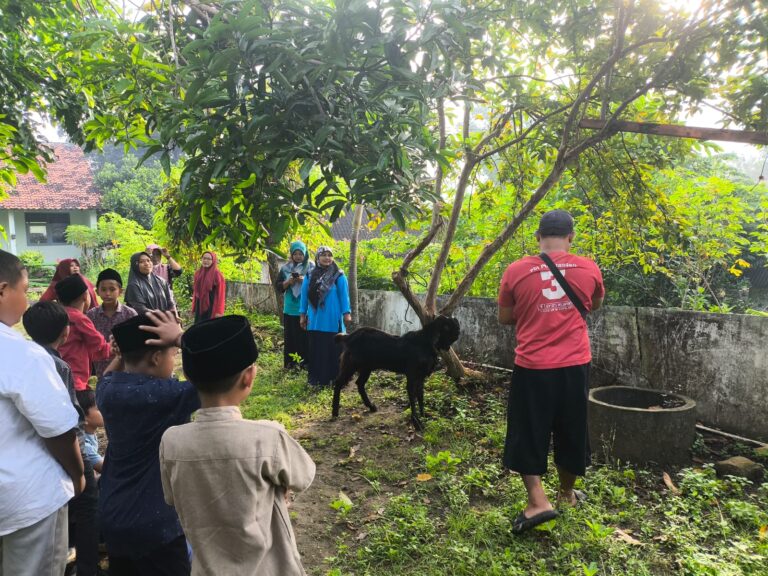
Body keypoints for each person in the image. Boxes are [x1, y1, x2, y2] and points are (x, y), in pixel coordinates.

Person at [160, 315, 316, 575]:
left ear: (187, 375)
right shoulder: (268, 437)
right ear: (249, 377)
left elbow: (170, 497)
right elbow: (304, 476)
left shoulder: (171, 441)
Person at [497, 210, 605, 534]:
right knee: (572, 429)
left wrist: (534, 311)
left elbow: (505, 317)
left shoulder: (516, 271)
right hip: (575, 365)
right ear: (571, 237)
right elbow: (593, 304)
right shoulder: (590, 268)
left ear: (537, 238)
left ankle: (537, 501)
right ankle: (567, 494)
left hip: (532, 367)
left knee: (527, 431)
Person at [0, 249, 84, 576]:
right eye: (24, 290)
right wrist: (77, 475)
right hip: (26, 500)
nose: (28, 299)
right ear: (3, 289)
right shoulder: (21, 353)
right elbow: (58, 429)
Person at [97, 311, 199, 575]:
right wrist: (181, 338)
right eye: (173, 355)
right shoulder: (165, 396)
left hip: (114, 515)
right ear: (156, 357)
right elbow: (215, 375)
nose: (175, 361)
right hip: (156, 525)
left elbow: (109, 374)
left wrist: (122, 354)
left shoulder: (107, 390)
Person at [22, 300, 100, 576]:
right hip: (67, 445)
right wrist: (80, 467)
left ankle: (65, 556)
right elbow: (68, 418)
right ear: (66, 332)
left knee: (63, 505)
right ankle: (88, 567)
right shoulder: (58, 365)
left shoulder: (26, 357)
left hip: (37, 449)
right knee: (88, 503)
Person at [299, 246, 351, 387]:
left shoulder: (338, 275)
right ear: (317, 257)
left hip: (333, 319)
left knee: (334, 350)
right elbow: (304, 296)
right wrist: (302, 315)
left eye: (330, 255)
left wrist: (347, 313)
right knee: (317, 350)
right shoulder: (310, 275)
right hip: (315, 320)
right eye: (324, 255)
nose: (327, 258)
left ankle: (335, 380)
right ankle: (316, 380)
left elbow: (344, 296)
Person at [56, 274, 112, 391]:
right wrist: (112, 347)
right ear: (85, 296)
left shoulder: (58, 315)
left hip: (57, 374)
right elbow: (98, 345)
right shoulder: (79, 318)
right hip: (76, 379)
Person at [87, 268, 137, 377]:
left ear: (120, 291)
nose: (107, 293)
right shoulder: (91, 315)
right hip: (101, 369)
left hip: (126, 368)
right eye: (103, 289)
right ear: (97, 292)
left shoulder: (130, 314)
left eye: (112, 289)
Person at [277, 241, 314, 368]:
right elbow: (278, 286)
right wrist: (288, 282)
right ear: (291, 254)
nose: (298, 256)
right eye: (295, 254)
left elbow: (317, 285)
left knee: (305, 337)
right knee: (290, 336)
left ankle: (305, 364)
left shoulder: (311, 267)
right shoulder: (285, 268)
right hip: (290, 307)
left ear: (305, 254)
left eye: (301, 254)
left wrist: (304, 280)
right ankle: (290, 364)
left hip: (306, 308)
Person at [123, 251, 175, 316]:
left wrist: (173, 314)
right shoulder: (133, 285)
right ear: (135, 265)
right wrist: (163, 316)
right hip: (145, 323)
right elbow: (141, 309)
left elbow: (170, 302)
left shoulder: (161, 281)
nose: (147, 263)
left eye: (148, 260)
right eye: (141, 262)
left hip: (166, 322)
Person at [75, 387, 104, 477]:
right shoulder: (84, 445)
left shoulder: (90, 434)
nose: (105, 409)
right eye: (99, 408)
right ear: (83, 417)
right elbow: (107, 468)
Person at [191, 251, 226, 323]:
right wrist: (194, 306)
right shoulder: (198, 273)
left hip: (212, 305)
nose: (206, 261)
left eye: (209, 259)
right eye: (204, 258)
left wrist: (219, 311)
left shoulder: (217, 275)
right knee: (198, 327)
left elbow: (221, 294)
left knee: (209, 327)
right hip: (199, 304)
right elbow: (196, 292)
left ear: (213, 261)